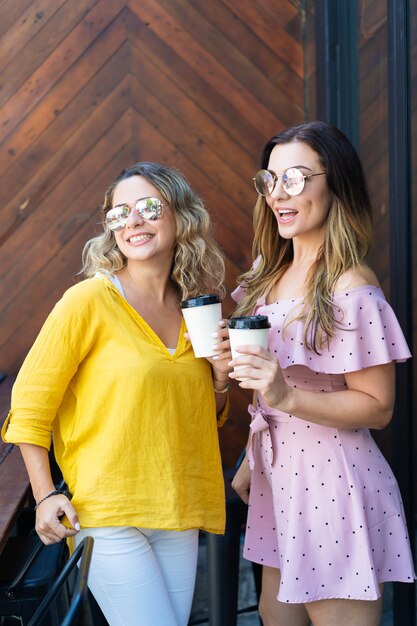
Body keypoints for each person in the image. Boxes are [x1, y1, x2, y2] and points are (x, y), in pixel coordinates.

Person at [2, 162, 232, 626]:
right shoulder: (88, 300)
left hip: (178, 507)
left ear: (179, 215)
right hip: (106, 512)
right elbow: (29, 404)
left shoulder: (196, 307)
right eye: (119, 212)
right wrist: (46, 496)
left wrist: (222, 381)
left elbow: (200, 415)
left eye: (148, 207)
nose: (132, 221)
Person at [228, 121, 415, 626]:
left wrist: (285, 394)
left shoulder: (351, 285)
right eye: (269, 180)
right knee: (276, 618)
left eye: (295, 178)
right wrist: (252, 458)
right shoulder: (268, 274)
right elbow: (264, 393)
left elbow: (378, 408)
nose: (277, 194)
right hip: (278, 480)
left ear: (335, 183)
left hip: (332, 483)